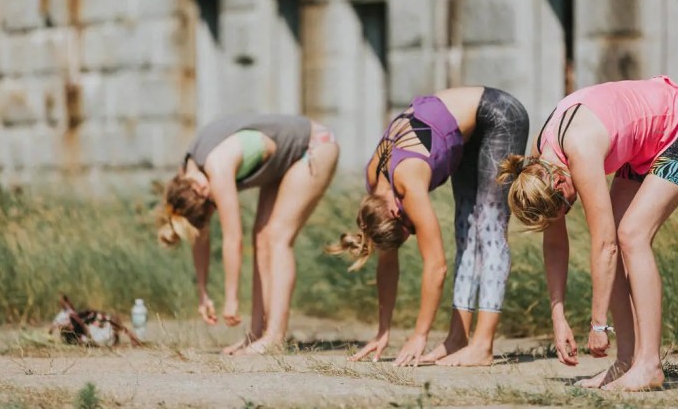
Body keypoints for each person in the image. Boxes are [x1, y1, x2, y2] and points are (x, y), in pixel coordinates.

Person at [498, 75, 678, 391]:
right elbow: (555, 247)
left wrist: (598, 324)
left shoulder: (578, 150)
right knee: (623, 240)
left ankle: (649, 365)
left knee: (631, 236)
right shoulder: (543, 164)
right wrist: (558, 316)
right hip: (642, 144)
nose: (567, 214)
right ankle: (626, 362)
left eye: (565, 207)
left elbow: (604, 244)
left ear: (560, 184)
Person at [328, 87, 529, 367]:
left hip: (499, 114)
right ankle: (457, 340)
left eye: (409, 229)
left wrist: (419, 335)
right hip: (465, 133)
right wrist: (383, 331)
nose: (414, 230)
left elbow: (436, 266)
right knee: (465, 230)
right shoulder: (377, 189)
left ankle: (483, 346)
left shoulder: (407, 183)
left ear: (397, 211)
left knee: (490, 227)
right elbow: (387, 263)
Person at [157, 114, 339, 355]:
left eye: (212, 203)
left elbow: (233, 238)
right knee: (262, 239)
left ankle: (275, 336)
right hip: (282, 163)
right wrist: (203, 293)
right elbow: (201, 235)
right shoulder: (187, 175)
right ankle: (256, 334)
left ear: (201, 189)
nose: (215, 204)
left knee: (278, 237)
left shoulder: (217, 167)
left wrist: (231, 299)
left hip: (314, 145)